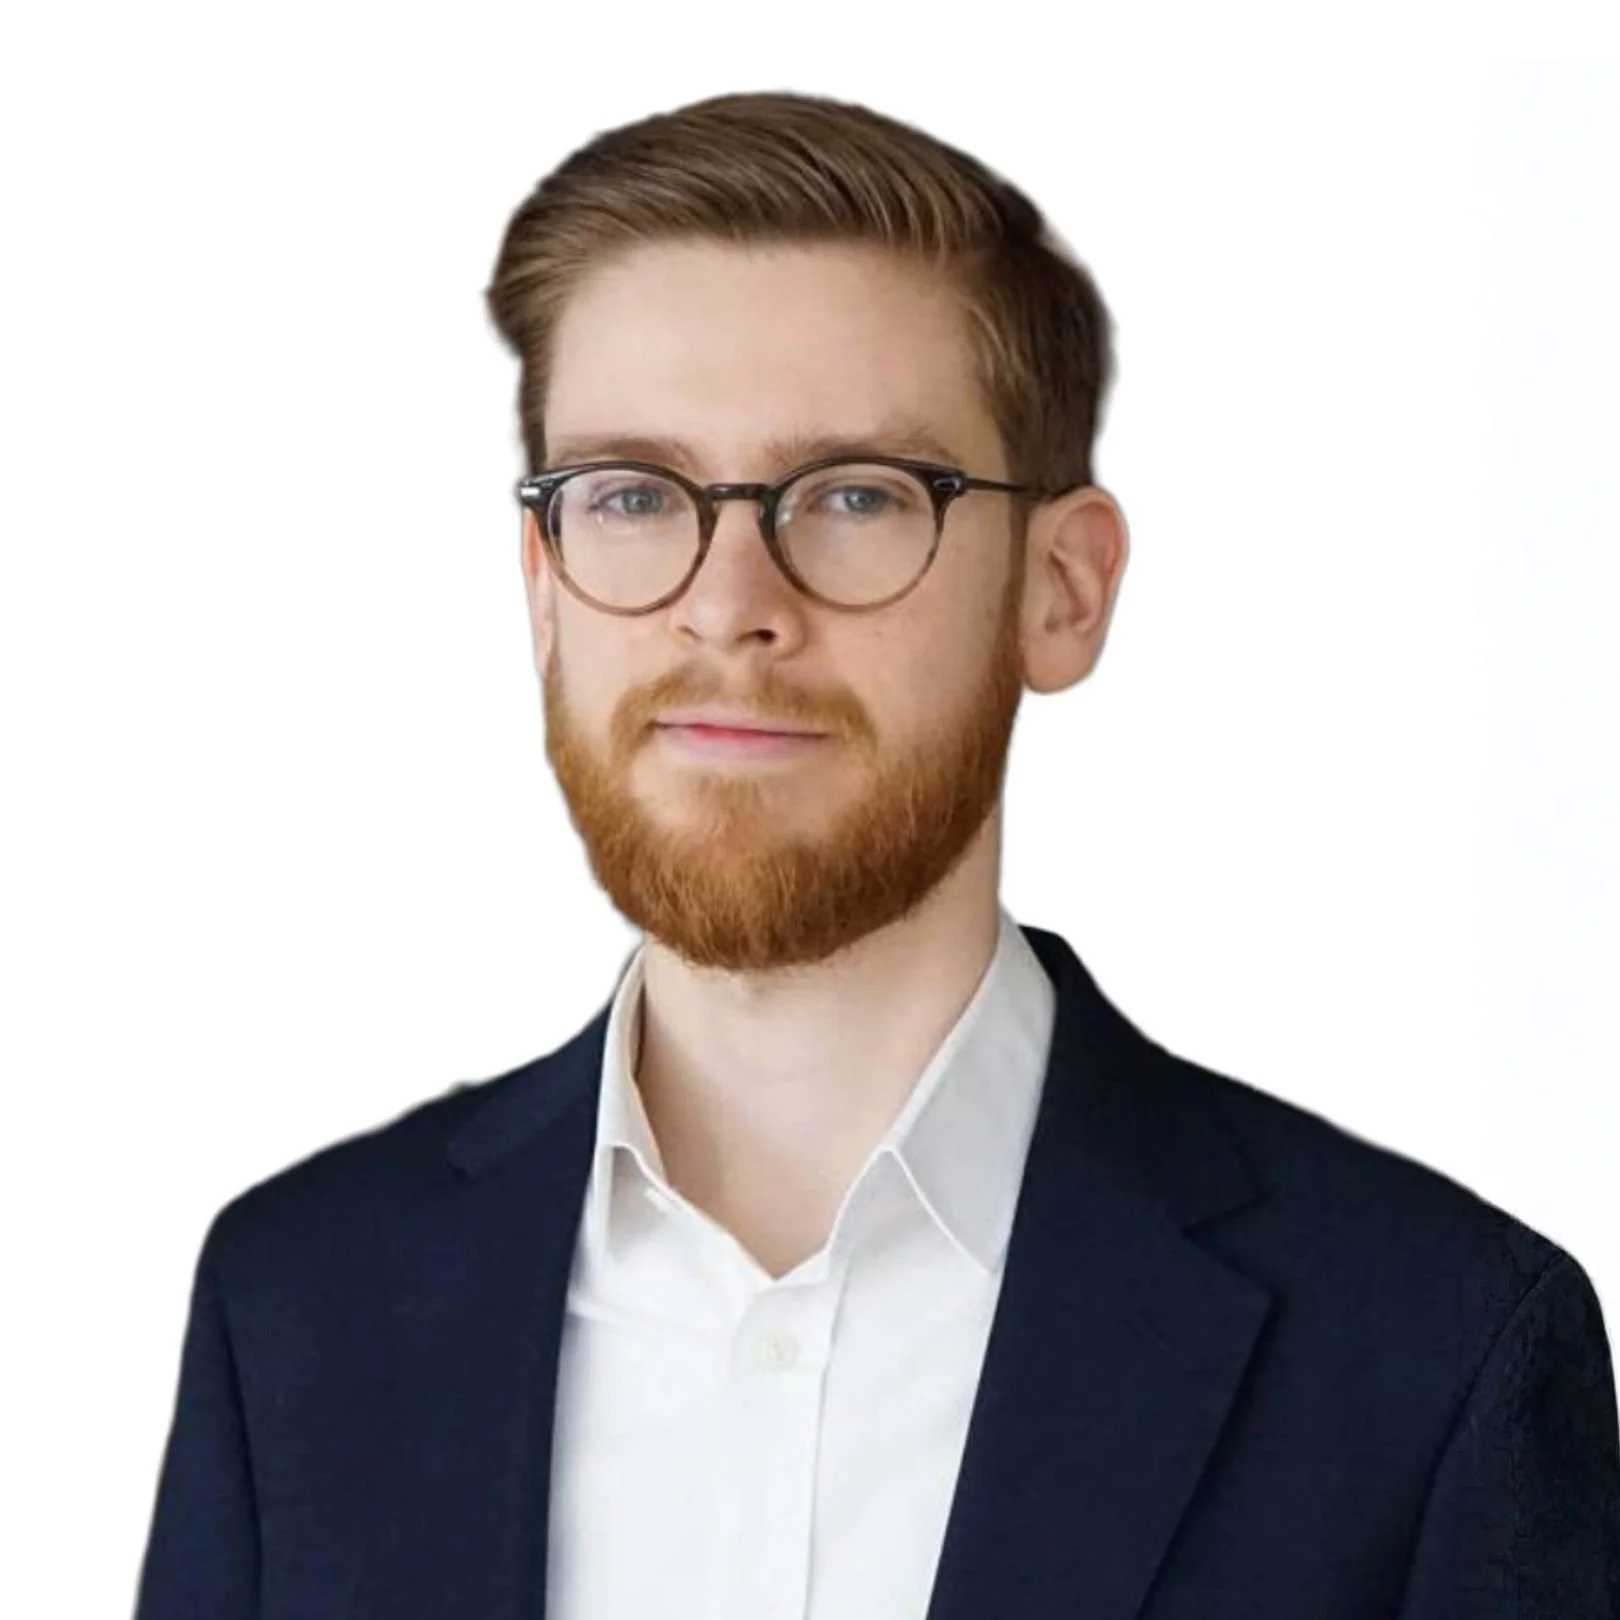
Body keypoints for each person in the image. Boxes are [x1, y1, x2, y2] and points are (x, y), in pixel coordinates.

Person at [133, 91, 1620, 1619]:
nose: (728, 602)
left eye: (854, 497)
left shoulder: (1436, 1358)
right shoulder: (296, 1309)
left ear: (1061, 588)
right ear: (542, 587)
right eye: (634, 496)